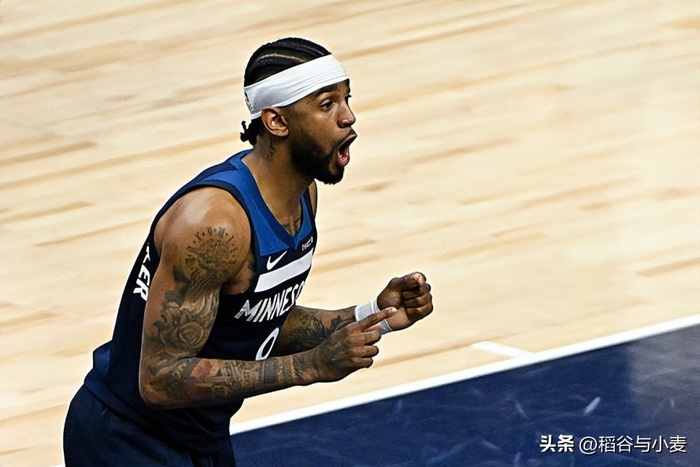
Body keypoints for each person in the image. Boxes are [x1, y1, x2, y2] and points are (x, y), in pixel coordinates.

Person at [63, 37, 434, 466]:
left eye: (347, 99)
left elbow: (253, 319)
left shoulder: (302, 196)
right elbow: (160, 379)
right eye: (327, 104)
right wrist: (309, 366)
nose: (348, 116)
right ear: (276, 121)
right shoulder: (214, 225)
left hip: (198, 434)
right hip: (124, 437)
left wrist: (372, 315)